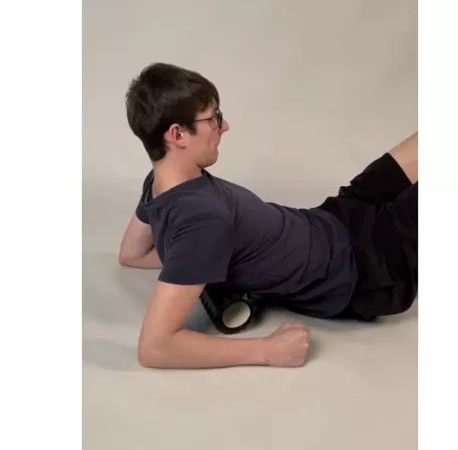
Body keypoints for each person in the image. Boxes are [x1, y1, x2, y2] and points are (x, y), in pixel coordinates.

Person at [119, 62, 418, 370]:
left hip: (335, 218)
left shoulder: (158, 185)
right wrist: (267, 351)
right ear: (178, 134)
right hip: (368, 268)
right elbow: (155, 347)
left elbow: (131, 254)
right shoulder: (203, 222)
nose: (224, 126)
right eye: (213, 118)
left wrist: (191, 262)